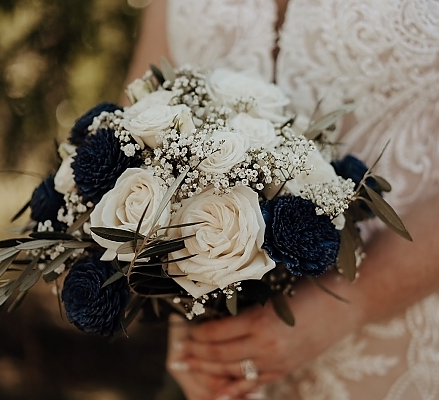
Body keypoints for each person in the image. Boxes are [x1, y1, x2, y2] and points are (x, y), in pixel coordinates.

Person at [126, 0, 439, 399]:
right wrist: (182, 303)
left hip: (394, 344)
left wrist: (352, 304)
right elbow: (144, 111)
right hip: (219, 363)